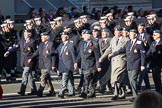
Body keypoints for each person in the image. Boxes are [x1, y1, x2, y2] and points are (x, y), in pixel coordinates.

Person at [109, 29, 146, 102]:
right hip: (129, 64)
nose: (130, 34)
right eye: (130, 33)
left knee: (133, 80)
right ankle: (135, 95)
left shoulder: (139, 42)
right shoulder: (128, 42)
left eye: (131, 33)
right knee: (131, 81)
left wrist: (142, 65)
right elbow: (122, 50)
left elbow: (142, 54)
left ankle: (135, 96)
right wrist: (113, 54)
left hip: (136, 64)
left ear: (135, 34)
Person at [99, 26, 129, 100]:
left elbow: (127, 50)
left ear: (121, 32)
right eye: (115, 32)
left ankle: (117, 93)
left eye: (118, 32)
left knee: (116, 78)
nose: (116, 33)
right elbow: (109, 49)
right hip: (114, 62)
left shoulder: (126, 40)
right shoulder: (113, 39)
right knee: (116, 79)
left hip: (121, 61)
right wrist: (102, 58)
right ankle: (120, 93)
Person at [4, 30, 37, 96]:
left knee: (25, 75)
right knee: (29, 76)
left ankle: (22, 90)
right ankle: (34, 90)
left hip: (29, 61)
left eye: (26, 33)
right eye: (24, 33)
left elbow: (36, 52)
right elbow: (15, 47)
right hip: (23, 60)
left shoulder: (33, 41)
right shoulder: (21, 41)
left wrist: (32, 58)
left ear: (29, 34)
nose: (24, 34)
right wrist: (8, 51)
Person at [75, 30, 101, 98]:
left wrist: (98, 66)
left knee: (86, 79)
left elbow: (97, 56)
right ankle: (92, 93)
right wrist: (76, 62)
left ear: (90, 35)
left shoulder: (94, 44)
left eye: (86, 35)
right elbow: (80, 54)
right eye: (84, 35)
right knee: (89, 80)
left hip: (91, 65)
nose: (84, 36)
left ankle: (84, 93)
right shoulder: (82, 43)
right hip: (83, 65)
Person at [28, 32, 56, 97]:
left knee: (43, 78)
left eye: (42, 37)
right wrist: (31, 58)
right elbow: (36, 52)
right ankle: (52, 91)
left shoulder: (50, 44)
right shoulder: (41, 44)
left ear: (46, 37)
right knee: (47, 79)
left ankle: (39, 91)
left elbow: (53, 55)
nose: (41, 38)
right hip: (42, 64)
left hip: (48, 64)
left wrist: (53, 65)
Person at [53, 32, 76, 98]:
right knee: (70, 78)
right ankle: (71, 92)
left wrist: (75, 63)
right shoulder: (61, 45)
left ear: (67, 37)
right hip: (62, 65)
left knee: (64, 78)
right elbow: (56, 52)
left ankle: (61, 92)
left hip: (68, 65)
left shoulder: (70, 45)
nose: (62, 37)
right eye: (62, 36)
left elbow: (73, 55)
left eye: (64, 36)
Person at [146, 30, 162, 94]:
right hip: (153, 64)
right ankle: (158, 90)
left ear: (159, 35)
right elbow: (149, 53)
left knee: (157, 78)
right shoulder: (153, 43)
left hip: (159, 64)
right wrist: (145, 59)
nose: (153, 36)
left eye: (154, 35)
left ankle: (159, 91)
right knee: (155, 78)